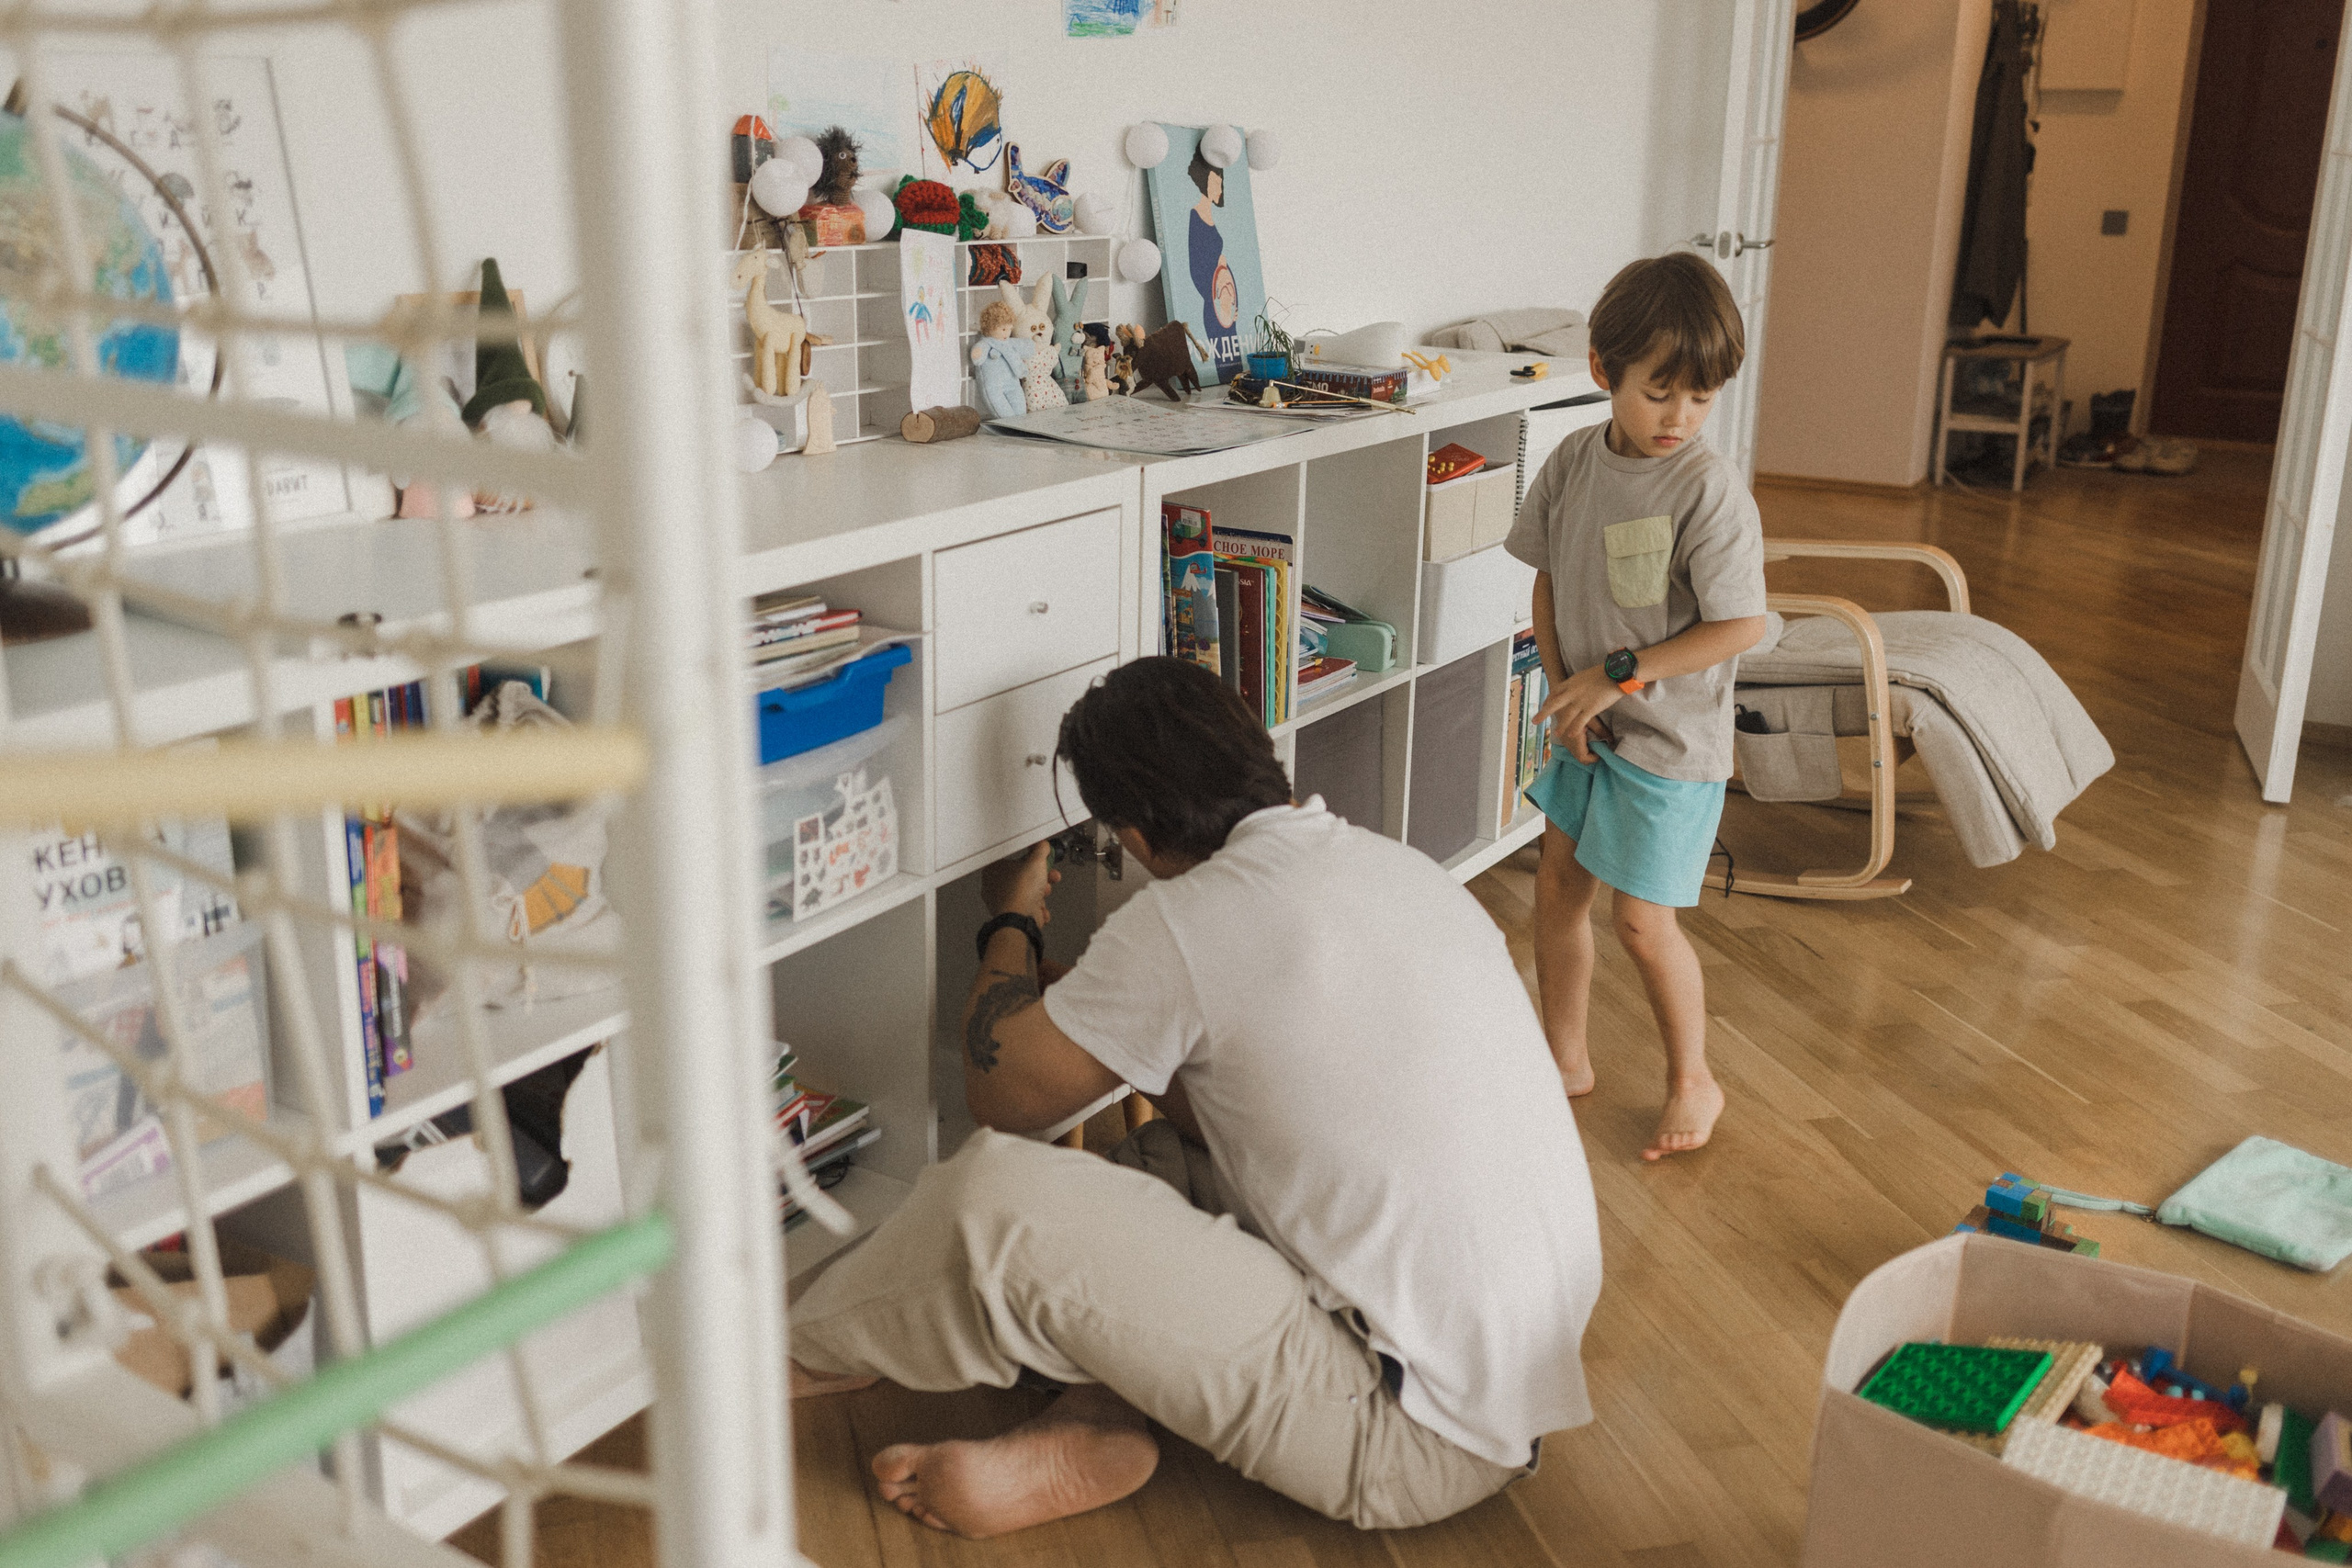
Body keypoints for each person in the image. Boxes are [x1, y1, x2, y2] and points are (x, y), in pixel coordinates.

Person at [787, 658, 1602, 1540]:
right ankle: (1098, 1415)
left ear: (1132, 833)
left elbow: (1003, 1095)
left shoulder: (1191, 919)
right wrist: (1085, 1010)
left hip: (1402, 1436)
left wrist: (1011, 922)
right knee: (1163, 1159)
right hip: (1506, 1390)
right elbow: (1253, 1095)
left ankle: (794, 1347)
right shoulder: (1394, 867)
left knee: (995, 1199)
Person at [1505, 251, 1770, 1161]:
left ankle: (1694, 1077)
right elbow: (1546, 574)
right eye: (1660, 393)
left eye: (1701, 397)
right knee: (1558, 888)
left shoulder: (1707, 489)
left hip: (1668, 741)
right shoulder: (1576, 461)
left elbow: (1740, 624)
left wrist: (1613, 678)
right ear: (1602, 370)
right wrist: (1557, 682)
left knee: (1640, 921)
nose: (1680, 418)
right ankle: (1563, 1056)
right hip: (1586, 725)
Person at [1185, 144, 1241, 375]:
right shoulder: (1195, 217)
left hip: (1227, 308)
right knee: (1224, 368)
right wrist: (1218, 303)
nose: (1219, 189)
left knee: (1235, 364)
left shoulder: (1209, 216)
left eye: (1221, 184)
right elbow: (1196, 269)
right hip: (1216, 308)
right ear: (1205, 181)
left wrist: (1232, 304)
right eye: (1216, 183)